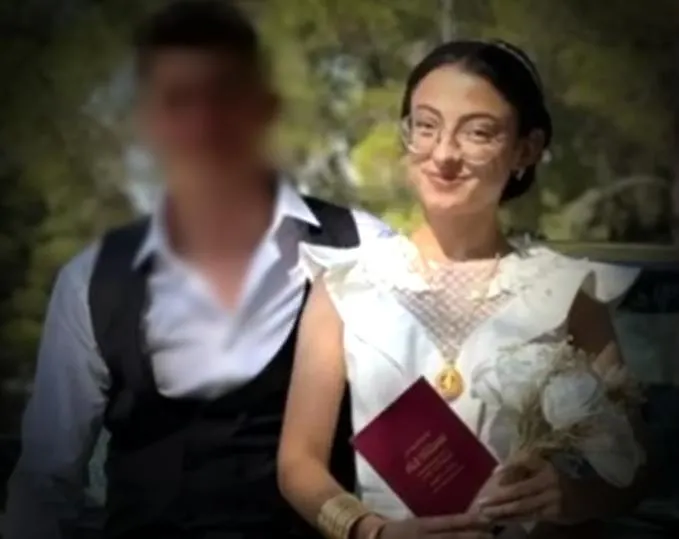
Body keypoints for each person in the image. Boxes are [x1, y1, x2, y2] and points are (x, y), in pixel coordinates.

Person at [5, 2, 391, 538]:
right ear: (148, 122)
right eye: (178, 101)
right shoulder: (90, 281)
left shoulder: (366, 250)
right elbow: (47, 483)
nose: (204, 124)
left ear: (266, 108)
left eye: (224, 96)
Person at [277, 40, 647, 539]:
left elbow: (634, 467)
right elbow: (299, 464)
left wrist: (571, 498)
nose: (444, 154)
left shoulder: (567, 292)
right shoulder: (346, 285)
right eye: (426, 126)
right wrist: (371, 531)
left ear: (526, 149)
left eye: (478, 132)